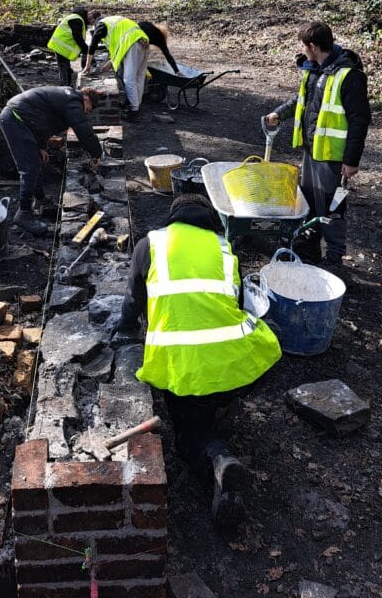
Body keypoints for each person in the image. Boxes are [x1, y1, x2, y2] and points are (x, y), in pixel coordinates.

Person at [113, 193, 281, 527]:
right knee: (268, 335)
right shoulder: (223, 248)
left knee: (188, 433)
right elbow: (238, 302)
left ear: (173, 217)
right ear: (208, 219)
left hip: (182, 369)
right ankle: (222, 406)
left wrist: (123, 333)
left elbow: (132, 303)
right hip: (231, 364)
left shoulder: (150, 244)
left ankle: (216, 457)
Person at [264, 20, 371, 265]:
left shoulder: (349, 76)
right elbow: (301, 99)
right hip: (312, 150)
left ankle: (334, 257)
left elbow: (360, 120)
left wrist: (351, 160)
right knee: (309, 200)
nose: (301, 51)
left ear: (313, 46)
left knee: (332, 206)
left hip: (333, 156)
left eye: (303, 46)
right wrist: (279, 113)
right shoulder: (315, 69)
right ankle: (310, 246)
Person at [0, 85, 104, 234]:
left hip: (23, 122)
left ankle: (40, 200)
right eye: (88, 109)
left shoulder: (67, 98)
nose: (86, 113)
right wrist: (96, 153)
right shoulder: (73, 101)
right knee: (29, 168)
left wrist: (41, 146)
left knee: (37, 161)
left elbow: (42, 120)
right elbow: (83, 130)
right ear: (86, 98)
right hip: (15, 120)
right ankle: (23, 213)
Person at [82, 14, 149, 120]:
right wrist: (109, 64)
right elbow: (118, 48)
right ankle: (136, 104)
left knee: (129, 79)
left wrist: (88, 65)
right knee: (139, 76)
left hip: (132, 43)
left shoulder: (101, 24)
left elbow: (92, 45)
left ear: (93, 21)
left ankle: (134, 111)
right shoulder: (114, 21)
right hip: (143, 40)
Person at [46, 8, 94, 86]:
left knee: (66, 69)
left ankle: (66, 86)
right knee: (64, 70)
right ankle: (65, 89)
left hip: (61, 46)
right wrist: (89, 53)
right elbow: (78, 39)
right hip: (61, 46)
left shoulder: (76, 18)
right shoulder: (76, 20)